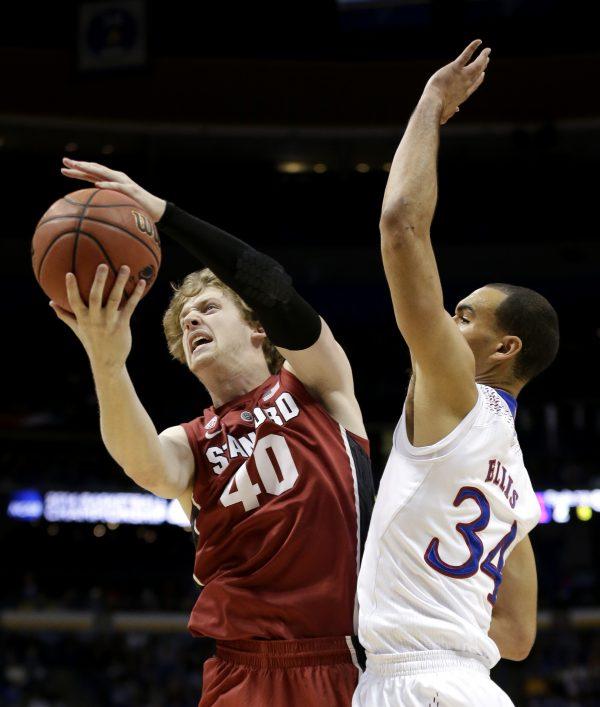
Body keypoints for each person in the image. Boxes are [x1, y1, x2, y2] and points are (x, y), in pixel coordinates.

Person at [54, 158, 375, 706]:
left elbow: (272, 287)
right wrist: (106, 362)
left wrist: (163, 213)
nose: (192, 320)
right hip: (240, 672)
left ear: (256, 328)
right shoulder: (193, 442)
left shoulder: (318, 385)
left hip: (343, 658)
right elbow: (145, 464)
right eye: (184, 320)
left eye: (208, 308)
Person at [353, 40, 559, 707]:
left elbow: (399, 225)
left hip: (413, 683)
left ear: (504, 349)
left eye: (465, 317)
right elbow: (520, 635)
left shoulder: (457, 397)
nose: (449, 320)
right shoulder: (519, 483)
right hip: (474, 684)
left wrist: (431, 104)